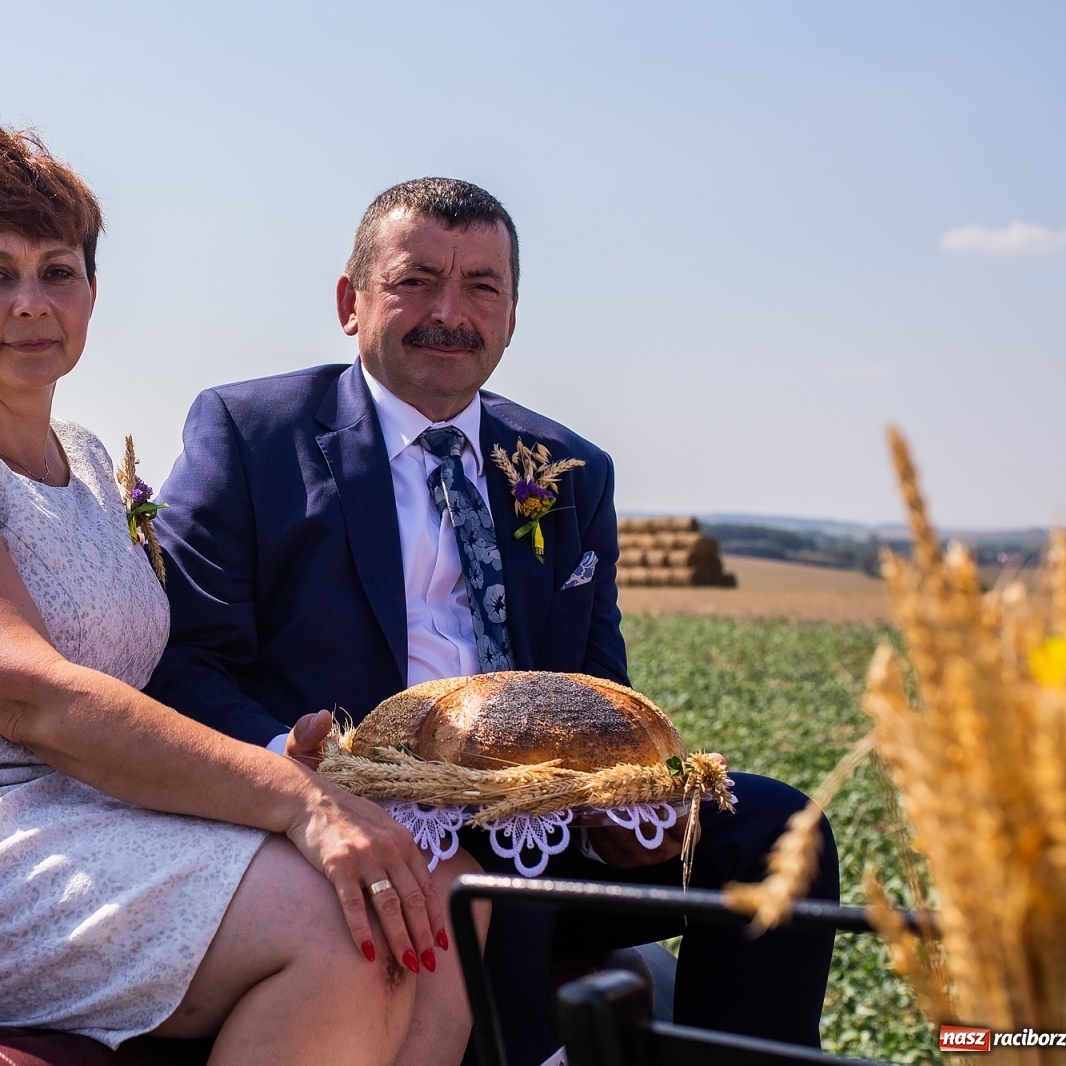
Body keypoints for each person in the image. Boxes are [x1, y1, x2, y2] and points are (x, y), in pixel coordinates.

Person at [0, 124, 484, 1066]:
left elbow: (133, 679)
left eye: (58, 271)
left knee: (427, 906)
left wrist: (289, 760)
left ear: (92, 294)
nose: (31, 304)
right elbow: (30, 693)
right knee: (337, 923)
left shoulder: (92, 464)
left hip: (69, 809)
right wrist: (292, 802)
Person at [146, 177, 841, 1065]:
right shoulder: (251, 434)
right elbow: (188, 660)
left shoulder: (569, 468)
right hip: (364, 804)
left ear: (513, 315)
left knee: (777, 827)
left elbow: (598, 684)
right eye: (415, 280)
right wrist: (296, 766)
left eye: (482, 286)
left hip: (543, 812)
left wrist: (628, 795)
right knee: (480, 868)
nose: (450, 312)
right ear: (349, 303)